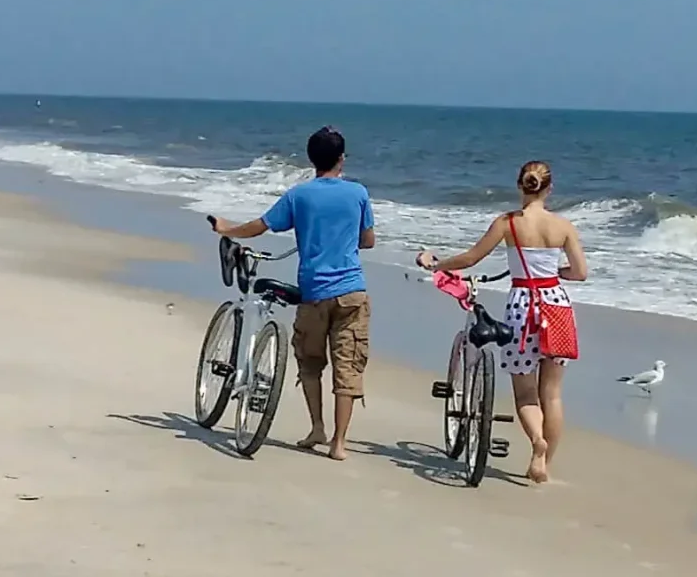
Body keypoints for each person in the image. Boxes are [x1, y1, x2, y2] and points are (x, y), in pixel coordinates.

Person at [207, 127, 375, 461]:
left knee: (310, 363)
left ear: (311, 159)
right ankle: (339, 444)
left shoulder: (299, 195)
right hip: (352, 292)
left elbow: (261, 225)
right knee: (348, 367)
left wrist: (227, 228)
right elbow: (368, 240)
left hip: (314, 292)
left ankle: (317, 427)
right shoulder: (358, 193)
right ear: (342, 159)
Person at [414, 161, 587, 482]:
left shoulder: (508, 223)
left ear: (521, 186)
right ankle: (544, 465)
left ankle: (537, 441)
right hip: (557, 305)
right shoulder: (564, 227)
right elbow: (580, 273)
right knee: (553, 394)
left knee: (525, 394)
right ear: (550, 188)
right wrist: (554, 273)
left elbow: (471, 258)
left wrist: (437, 264)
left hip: (523, 305)